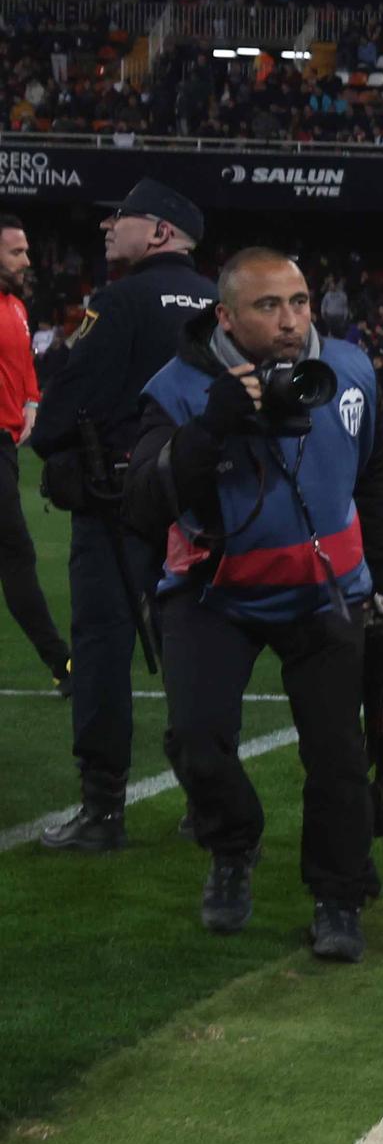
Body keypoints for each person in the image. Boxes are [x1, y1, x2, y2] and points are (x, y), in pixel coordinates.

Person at [124, 249, 383, 958]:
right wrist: (210, 425)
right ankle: (232, 843)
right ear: (225, 317)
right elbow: (145, 501)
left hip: (325, 590)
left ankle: (339, 897)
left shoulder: (353, 370)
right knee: (194, 739)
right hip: (215, 591)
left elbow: (374, 472)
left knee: (339, 754)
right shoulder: (178, 387)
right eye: (268, 306)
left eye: (300, 302)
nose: (290, 322)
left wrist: (381, 576)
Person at [34, 180, 217, 852]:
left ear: (161, 232)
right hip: (204, 507)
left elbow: (64, 401)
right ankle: (207, 803)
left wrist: (53, 444)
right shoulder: (222, 302)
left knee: (105, 644)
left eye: (124, 217)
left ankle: (103, 809)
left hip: (118, 505)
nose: (109, 225)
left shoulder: (118, 302)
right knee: (197, 654)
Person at [0, 214, 70, 693]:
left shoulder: (16, 306)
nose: (27, 260)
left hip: (6, 444)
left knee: (16, 554)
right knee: (17, 553)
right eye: (16, 252)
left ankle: (62, 664)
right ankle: (63, 665)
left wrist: (30, 402)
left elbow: (23, 366)